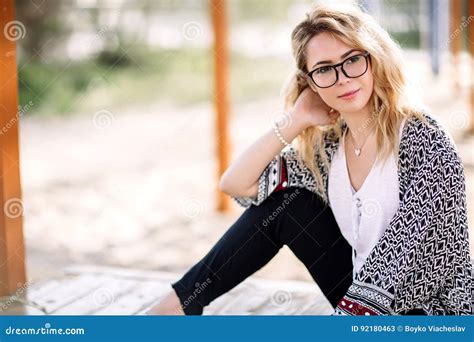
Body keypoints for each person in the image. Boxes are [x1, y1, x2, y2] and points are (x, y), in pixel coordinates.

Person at [147, 2, 472, 315]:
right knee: (286, 203)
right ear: (309, 81)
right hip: (359, 302)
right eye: (324, 69)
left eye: (353, 59)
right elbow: (236, 185)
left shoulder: (422, 138)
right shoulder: (329, 147)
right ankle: (178, 305)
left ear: (374, 57)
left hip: (429, 317)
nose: (343, 77)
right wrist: (295, 120)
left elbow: (397, 258)